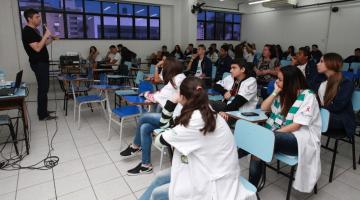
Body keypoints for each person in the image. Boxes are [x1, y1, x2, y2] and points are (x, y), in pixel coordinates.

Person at [140, 77, 256, 200]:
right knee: (160, 177)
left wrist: (171, 103)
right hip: (207, 166)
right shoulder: (206, 109)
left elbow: (160, 139)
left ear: (183, 97)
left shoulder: (195, 120)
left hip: (214, 181)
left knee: (157, 193)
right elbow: (170, 128)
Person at [243, 65, 322, 193]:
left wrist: (270, 134)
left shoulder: (308, 96)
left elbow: (296, 125)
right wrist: (275, 92)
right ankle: (251, 186)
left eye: (279, 80)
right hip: (283, 134)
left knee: (261, 142)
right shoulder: (283, 93)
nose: (276, 82)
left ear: (291, 82)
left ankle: (251, 187)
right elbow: (264, 107)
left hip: (300, 139)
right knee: (258, 144)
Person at [120, 58, 186, 175]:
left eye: (164, 69)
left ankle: (135, 146)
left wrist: (145, 94)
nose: (163, 71)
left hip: (177, 121)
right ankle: (146, 165)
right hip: (173, 117)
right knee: (145, 127)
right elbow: (160, 93)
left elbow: (156, 96)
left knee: (143, 118)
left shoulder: (174, 82)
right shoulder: (180, 78)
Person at [21, 9, 57, 121]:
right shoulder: (27, 31)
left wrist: (51, 39)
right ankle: (42, 115)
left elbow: (41, 45)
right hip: (39, 63)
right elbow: (37, 48)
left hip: (42, 63)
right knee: (43, 88)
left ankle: (43, 110)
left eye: (39, 17)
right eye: (37, 17)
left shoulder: (34, 30)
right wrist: (46, 35)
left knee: (44, 88)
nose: (39, 19)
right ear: (29, 19)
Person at [317, 53, 356, 139]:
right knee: (305, 115)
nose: (317, 64)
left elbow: (337, 106)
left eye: (321, 61)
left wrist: (317, 109)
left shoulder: (346, 83)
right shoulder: (321, 80)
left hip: (341, 119)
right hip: (326, 114)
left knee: (308, 117)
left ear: (331, 64)